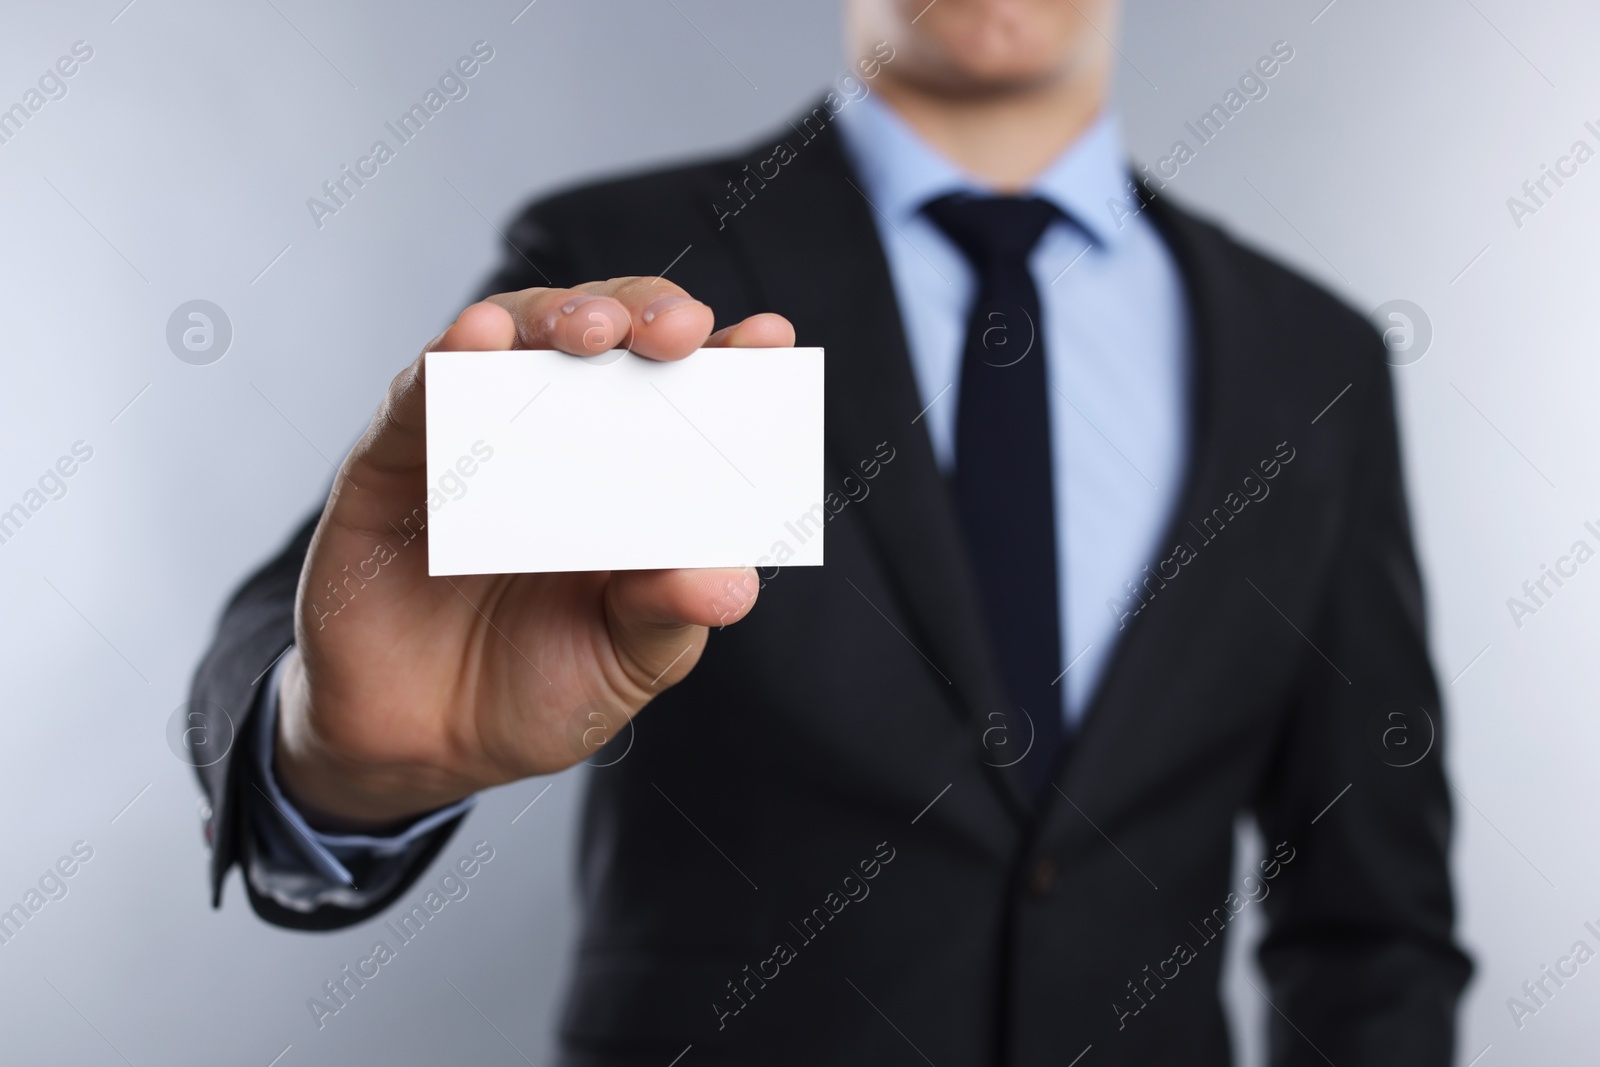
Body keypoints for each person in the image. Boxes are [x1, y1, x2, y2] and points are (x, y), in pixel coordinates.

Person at [189, 0, 1471, 1062]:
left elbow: (1373, 913)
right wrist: (341, 760)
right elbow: (334, 619)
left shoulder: (1311, 361)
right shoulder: (633, 263)